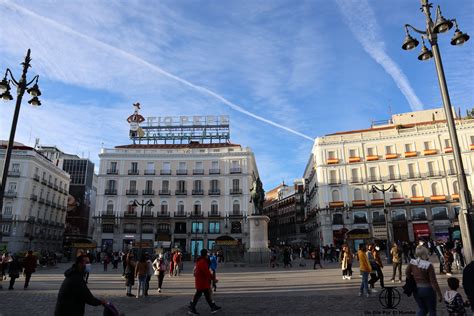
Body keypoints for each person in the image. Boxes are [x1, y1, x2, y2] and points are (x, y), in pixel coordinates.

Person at [406, 245, 442, 316]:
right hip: (428, 289)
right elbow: (433, 281)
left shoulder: (412, 263)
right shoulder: (429, 265)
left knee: (422, 309)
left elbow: (407, 272)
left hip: (417, 289)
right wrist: (439, 294)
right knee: (432, 310)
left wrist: (412, 279)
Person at [188, 249, 222, 315]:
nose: (208, 255)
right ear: (205, 254)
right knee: (199, 295)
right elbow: (207, 272)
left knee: (206, 295)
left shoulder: (201, 261)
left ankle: (212, 307)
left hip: (202, 282)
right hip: (202, 282)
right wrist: (213, 279)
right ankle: (192, 308)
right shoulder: (202, 262)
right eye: (207, 254)